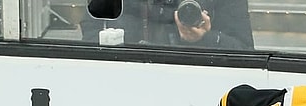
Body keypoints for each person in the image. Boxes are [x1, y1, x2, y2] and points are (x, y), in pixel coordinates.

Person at [81, 0, 254, 50]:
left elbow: (247, 55)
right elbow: (90, 35)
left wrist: (205, 39)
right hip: (120, 85)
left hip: (193, 89)